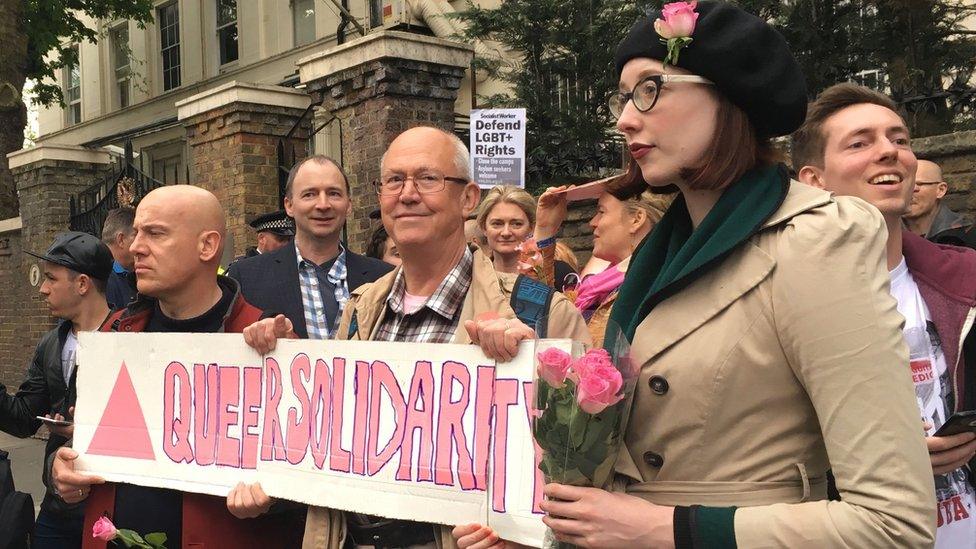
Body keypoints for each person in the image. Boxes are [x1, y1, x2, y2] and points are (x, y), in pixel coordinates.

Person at [455, 3, 937, 548]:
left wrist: (672, 529)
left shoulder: (815, 240)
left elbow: (894, 524)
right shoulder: (661, 253)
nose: (624, 119)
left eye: (649, 90)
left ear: (728, 96)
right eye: (623, 97)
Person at [243, 126, 591, 549]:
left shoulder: (540, 312)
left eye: (428, 179)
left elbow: (584, 467)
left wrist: (523, 533)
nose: (407, 194)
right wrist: (291, 367)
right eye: (394, 180)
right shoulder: (359, 308)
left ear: (468, 198)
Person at [47, 185, 304, 549]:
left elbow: (307, 479)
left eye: (155, 233)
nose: (135, 246)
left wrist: (272, 501)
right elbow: (73, 441)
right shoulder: (113, 334)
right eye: (136, 233)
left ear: (207, 247)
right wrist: (61, 473)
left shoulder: (267, 343)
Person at [794, 82, 976, 548]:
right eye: (860, 143)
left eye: (899, 139)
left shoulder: (966, 276)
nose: (889, 152)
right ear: (813, 180)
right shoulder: (782, 296)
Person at [0, 232, 113, 548]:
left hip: (112, 508)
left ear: (82, 284)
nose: (42, 288)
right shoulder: (50, 344)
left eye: (51, 278)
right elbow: (23, 420)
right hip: (57, 505)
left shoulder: (128, 338)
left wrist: (89, 430)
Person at [227, 155, 392, 339]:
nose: (323, 204)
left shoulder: (385, 278)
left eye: (334, 193)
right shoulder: (247, 277)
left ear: (348, 204)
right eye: (309, 194)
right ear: (289, 205)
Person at [533, 184, 672, 347]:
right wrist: (545, 229)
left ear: (636, 219)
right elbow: (544, 312)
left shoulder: (652, 286)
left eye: (601, 212)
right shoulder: (603, 286)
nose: (593, 222)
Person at [477, 185, 576, 291]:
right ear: (484, 227)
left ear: (531, 227)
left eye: (516, 224)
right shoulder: (473, 277)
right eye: (497, 223)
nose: (506, 232)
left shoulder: (560, 273)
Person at [904, 159, 971, 240]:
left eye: (917, 185)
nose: (907, 191)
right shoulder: (887, 235)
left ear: (941, 190)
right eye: (902, 185)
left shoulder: (966, 234)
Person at [101, 207, 137, 309]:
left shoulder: (133, 273)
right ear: (121, 240)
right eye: (136, 236)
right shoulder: (101, 280)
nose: (141, 243)